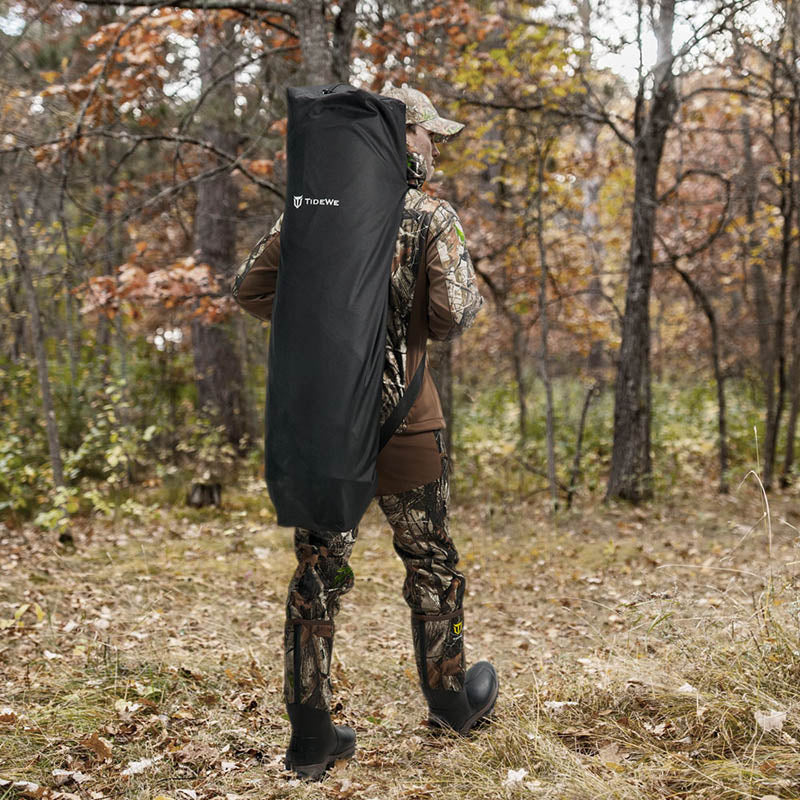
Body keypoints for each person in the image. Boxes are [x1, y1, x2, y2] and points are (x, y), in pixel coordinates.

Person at [231, 86, 498, 780]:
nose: (435, 147)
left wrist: (323, 322)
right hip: (409, 425)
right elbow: (453, 314)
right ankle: (451, 703)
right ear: (401, 137)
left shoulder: (308, 214)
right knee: (431, 563)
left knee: (317, 576)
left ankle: (311, 738)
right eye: (428, 135)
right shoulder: (431, 215)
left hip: (326, 429)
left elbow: (250, 290)